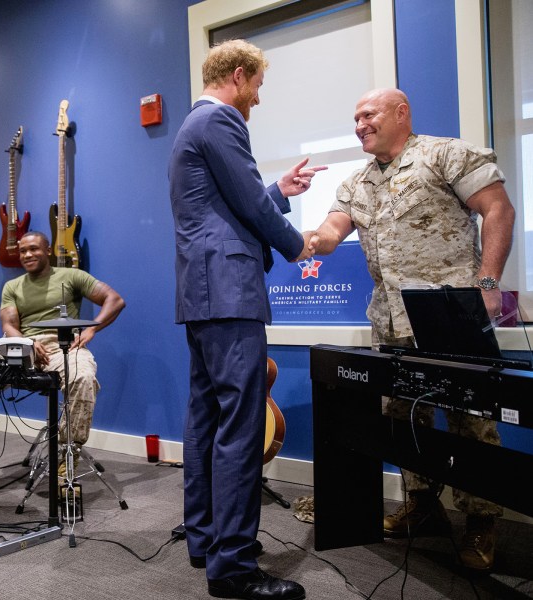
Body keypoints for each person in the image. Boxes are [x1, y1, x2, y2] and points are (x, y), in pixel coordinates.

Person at [308, 88, 514, 572]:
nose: (359, 124)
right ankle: (423, 505)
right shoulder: (357, 183)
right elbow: (331, 234)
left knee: (471, 419)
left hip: (450, 315)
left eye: (368, 114)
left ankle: (481, 519)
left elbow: (498, 209)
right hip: (391, 320)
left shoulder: (445, 154)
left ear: (402, 113)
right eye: (354, 117)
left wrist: (488, 285)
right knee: (400, 418)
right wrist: (284, 230)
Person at [169, 40, 324, 600]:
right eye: (258, 84)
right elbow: (250, 211)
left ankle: (206, 541)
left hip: (204, 290)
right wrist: (296, 245)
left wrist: (279, 191)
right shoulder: (223, 121)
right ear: (238, 76)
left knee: (207, 418)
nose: (259, 96)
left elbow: (229, 203)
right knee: (240, 425)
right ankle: (232, 568)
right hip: (230, 290)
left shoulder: (195, 126)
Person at [0, 231, 125, 490]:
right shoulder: (12, 286)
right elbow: (8, 324)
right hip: (21, 346)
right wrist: (26, 343)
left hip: (62, 347)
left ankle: (64, 467)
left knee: (83, 378)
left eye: (34, 249)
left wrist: (91, 330)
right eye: (23, 251)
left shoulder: (71, 276)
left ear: (47, 250)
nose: (27, 255)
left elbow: (114, 300)